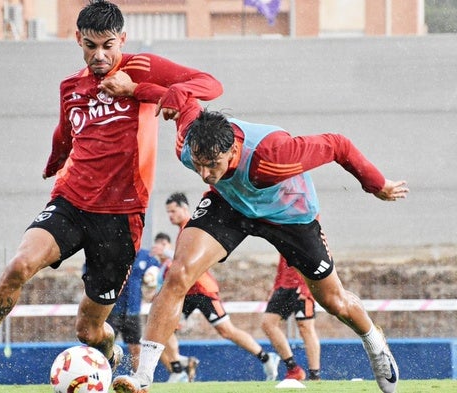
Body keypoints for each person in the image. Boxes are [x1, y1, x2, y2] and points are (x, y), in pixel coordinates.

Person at [0, 1, 223, 390]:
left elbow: (210, 86)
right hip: (70, 202)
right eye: (90, 46)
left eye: (108, 46)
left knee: (89, 330)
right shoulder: (70, 86)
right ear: (78, 40)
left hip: (121, 216)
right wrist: (53, 162)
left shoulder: (141, 67)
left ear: (123, 40)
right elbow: (64, 134)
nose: (100, 56)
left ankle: (108, 350)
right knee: (18, 265)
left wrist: (140, 91)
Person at [112, 92, 408, 393]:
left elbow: (338, 144)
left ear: (233, 150)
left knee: (335, 302)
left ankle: (376, 344)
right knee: (178, 274)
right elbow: (184, 92)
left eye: (212, 165)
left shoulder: (275, 154)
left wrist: (377, 184)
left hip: (290, 214)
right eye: (199, 164)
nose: (204, 174)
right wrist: (137, 88)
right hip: (230, 204)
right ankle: (143, 377)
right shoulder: (189, 146)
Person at [159, 192, 280, 381]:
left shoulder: (193, 228)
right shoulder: (182, 230)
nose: (170, 216)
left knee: (226, 330)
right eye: (168, 212)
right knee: (163, 324)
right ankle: (178, 369)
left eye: (173, 211)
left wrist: (166, 253)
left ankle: (266, 357)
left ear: (184, 208)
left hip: (203, 289)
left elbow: (192, 260)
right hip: (188, 290)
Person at [149, 233, 200, 383]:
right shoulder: (161, 266)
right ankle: (183, 364)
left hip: (171, 307)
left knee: (161, 335)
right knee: (155, 340)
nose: (160, 248)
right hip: (163, 307)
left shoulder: (173, 263)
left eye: (164, 245)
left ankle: (178, 369)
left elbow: (175, 284)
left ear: (169, 246)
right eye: (158, 245)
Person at [262, 255, 321, 381]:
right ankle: (293, 368)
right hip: (284, 286)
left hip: (304, 284)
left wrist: (308, 286)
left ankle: (315, 376)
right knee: (268, 324)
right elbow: (284, 257)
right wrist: (276, 285)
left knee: (306, 328)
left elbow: (318, 256)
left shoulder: (312, 235)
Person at [106, 244, 160, 373]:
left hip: (133, 309)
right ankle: (104, 375)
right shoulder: (112, 252)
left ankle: (137, 377)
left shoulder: (145, 255)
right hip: (113, 308)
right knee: (106, 346)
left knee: (136, 346)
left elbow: (157, 269)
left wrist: (153, 280)